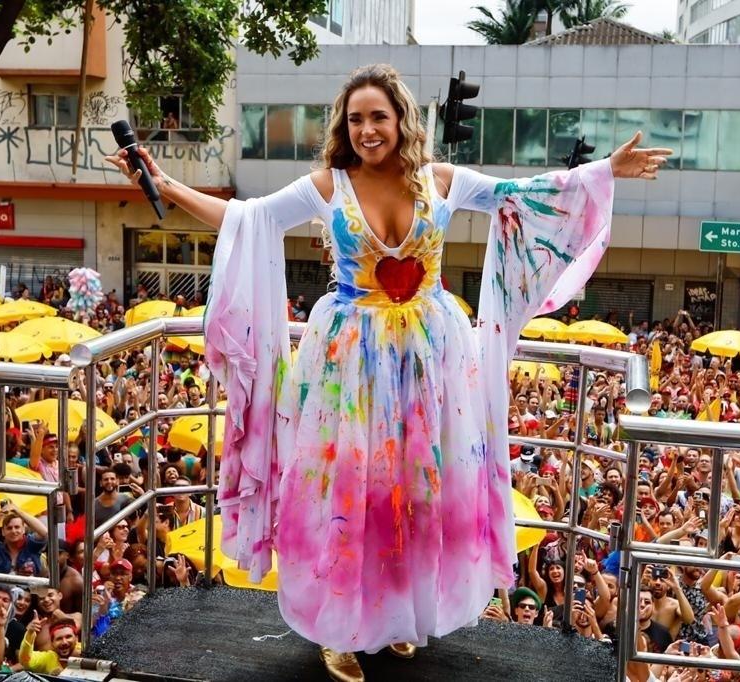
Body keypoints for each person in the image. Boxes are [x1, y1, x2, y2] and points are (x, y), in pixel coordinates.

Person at [107, 63, 669, 680]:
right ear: (343, 127)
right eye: (356, 119)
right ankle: (338, 629)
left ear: (402, 119)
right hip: (349, 365)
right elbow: (248, 218)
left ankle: (397, 616)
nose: (368, 129)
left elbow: (524, 195)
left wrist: (603, 172)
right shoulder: (331, 185)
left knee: (416, 490)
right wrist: (162, 182)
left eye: (379, 116)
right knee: (347, 492)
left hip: (430, 361)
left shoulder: (442, 180)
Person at [0, 503, 50, 576]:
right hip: (5, 586)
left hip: (32, 585)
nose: (13, 531)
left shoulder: (31, 543)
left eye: (17, 527)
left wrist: (19, 512)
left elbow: (45, 533)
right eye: (9, 528)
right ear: (3, 532)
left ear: (23, 530)